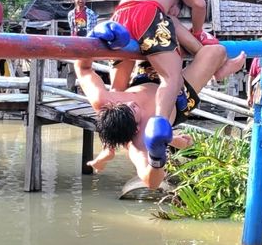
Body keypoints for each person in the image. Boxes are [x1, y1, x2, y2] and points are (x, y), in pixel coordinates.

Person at [75, 16, 245, 189]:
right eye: (133, 109)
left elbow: (82, 69)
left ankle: (108, 150)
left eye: (124, 104)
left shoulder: (105, 101)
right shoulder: (139, 145)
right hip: (178, 98)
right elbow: (151, 182)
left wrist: (93, 37)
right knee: (216, 52)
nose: (131, 103)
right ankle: (218, 71)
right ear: (137, 128)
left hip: (143, 80)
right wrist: (156, 156)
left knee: (127, 31)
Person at [108, 0, 219, 150]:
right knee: (171, 78)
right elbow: (199, 4)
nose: (172, 14)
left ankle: (109, 146)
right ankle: (160, 127)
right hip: (147, 13)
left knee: (116, 89)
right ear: (177, 3)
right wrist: (197, 32)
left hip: (118, 18)